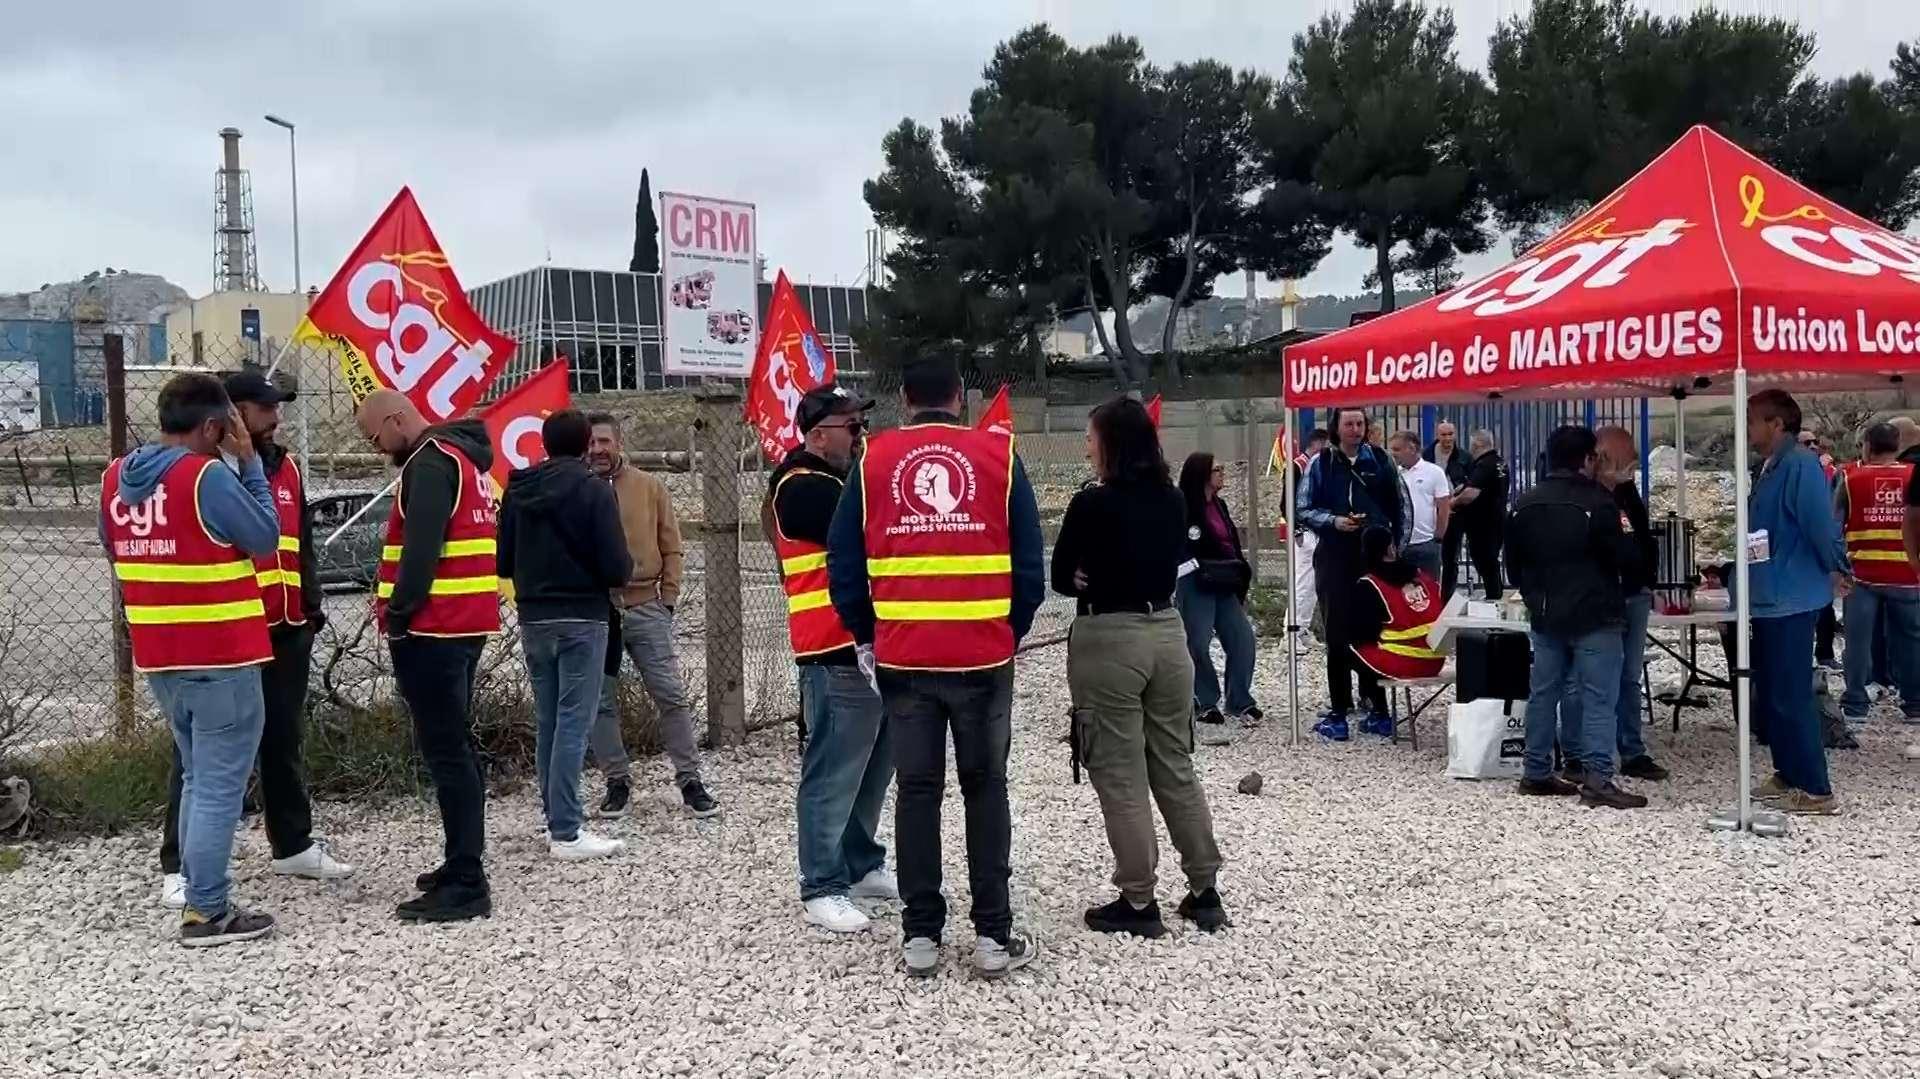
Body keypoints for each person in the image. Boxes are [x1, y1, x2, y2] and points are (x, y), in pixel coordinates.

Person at [826, 357, 1046, 980]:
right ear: (960, 397)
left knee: (917, 792)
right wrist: (1011, 629)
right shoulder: (1000, 458)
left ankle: (920, 936)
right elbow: (1030, 561)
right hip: (983, 656)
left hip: (903, 658)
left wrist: (866, 635)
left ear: (902, 398)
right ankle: (992, 939)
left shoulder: (872, 462)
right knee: (985, 789)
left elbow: (843, 560)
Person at [156, 369, 353, 909]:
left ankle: (292, 843)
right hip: (230, 631)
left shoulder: (285, 465)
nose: (277, 415)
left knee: (284, 740)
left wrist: (311, 607)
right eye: (266, 407)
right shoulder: (199, 472)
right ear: (231, 415)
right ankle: (179, 864)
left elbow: (299, 541)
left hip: (287, 627)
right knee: (198, 757)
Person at [103, 373, 282, 946]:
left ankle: (192, 886)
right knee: (218, 784)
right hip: (221, 653)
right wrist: (249, 464)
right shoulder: (204, 475)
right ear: (212, 426)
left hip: (161, 655)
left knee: (200, 776)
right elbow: (264, 536)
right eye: (226, 426)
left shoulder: (114, 479)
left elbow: (115, 547)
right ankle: (207, 911)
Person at [1055, 398, 1228, 938]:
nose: (1086, 446)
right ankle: (1204, 889)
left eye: (1091, 436)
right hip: (1167, 632)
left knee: (1120, 772)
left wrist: (1089, 574)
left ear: (1110, 443)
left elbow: (1062, 575)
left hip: (1110, 637)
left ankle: (1137, 896)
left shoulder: (1091, 504)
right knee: (1174, 762)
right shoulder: (1174, 499)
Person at [356, 389, 500, 921]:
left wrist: (398, 613)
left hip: (434, 627)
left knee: (447, 751)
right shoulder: (463, 459)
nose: (375, 449)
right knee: (454, 745)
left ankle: (466, 878)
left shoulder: (430, 464)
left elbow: (422, 548)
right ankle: (461, 861)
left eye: (375, 437)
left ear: (397, 419)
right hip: (465, 622)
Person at [767, 384, 898, 935]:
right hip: (832, 646)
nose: (862, 435)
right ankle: (821, 883)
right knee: (834, 769)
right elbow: (871, 530)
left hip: (873, 645)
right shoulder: (801, 487)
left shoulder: (841, 480)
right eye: (852, 427)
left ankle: (860, 860)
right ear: (818, 434)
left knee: (874, 766)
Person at [499, 409, 633, 861]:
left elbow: (503, 561)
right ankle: (567, 830)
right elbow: (617, 567)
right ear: (582, 446)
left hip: (534, 616)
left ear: (544, 443)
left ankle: (557, 818)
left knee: (549, 721)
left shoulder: (518, 490)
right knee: (575, 721)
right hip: (582, 616)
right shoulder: (595, 492)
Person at [582, 413, 718, 819]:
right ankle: (616, 780)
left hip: (645, 606)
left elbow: (672, 544)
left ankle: (690, 780)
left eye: (604, 441)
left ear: (619, 443)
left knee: (671, 696)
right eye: (590, 442)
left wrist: (669, 598)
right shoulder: (578, 490)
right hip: (596, 610)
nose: (597, 450)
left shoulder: (649, 487)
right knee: (600, 702)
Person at [1505, 425, 1646, 810]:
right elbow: (1626, 558)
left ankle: (1535, 771)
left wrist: (1537, 597)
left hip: (1546, 614)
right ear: (1588, 459)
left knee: (1543, 693)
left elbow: (1512, 568)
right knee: (1599, 698)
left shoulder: (1524, 503)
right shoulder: (1600, 503)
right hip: (1596, 614)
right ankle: (1598, 778)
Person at [1746, 389, 1845, 814]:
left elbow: (1820, 527)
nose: (1746, 428)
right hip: (1768, 594)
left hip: (1791, 596)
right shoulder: (1769, 468)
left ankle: (1816, 788)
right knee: (1772, 693)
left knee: (1791, 694)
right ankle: (1787, 772)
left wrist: (1839, 567)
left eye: (1752, 420)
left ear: (1777, 424)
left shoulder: (1800, 467)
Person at [1296, 407, 1406, 740]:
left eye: (1360, 424)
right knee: (1337, 635)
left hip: (1372, 560)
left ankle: (1378, 708)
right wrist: (1334, 521)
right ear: (1336, 428)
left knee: (1372, 632)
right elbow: (1302, 508)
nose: (1355, 429)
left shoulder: (1381, 461)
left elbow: (1400, 507)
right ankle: (1339, 712)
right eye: (1349, 424)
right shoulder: (1321, 463)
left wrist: (1395, 546)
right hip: (1334, 558)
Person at [1592, 426, 1668, 781]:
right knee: (1599, 677)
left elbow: (1642, 533)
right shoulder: (1591, 493)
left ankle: (1631, 749)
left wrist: (1649, 579)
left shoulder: (1627, 491)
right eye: (1626, 457)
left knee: (1629, 676)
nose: (1632, 463)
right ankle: (1596, 752)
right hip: (1604, 596)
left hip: (1635, 593)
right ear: (1604, 455)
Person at [1835, 422, 1920, 725]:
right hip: (1908, 575)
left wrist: (1837, 569)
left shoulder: (1849, 477)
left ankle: (1856, 704)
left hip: (1862, 575)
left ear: (1868, 445)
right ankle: (1914, 705)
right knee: (1911, 640)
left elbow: (1835, 526)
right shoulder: (1914, 475)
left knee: (1857, 641)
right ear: (1897, 445)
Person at [1175, 452, 1259, 741]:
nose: (1222, 474)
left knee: (1242, 638)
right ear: (1201, 474)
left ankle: (1240, 698)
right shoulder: (1184, 506)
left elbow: (1230, 542)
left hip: (1224, 581)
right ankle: (1204, 700)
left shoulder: (1219, 506)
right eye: (1216, 470)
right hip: (1196, 581)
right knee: (1197, 642)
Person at [1346, 527, 1446, 685]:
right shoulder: (1420, 575)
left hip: (1403, 663)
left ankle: (1376, 706)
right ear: (1391, 549)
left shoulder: (1371, 584)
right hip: (1436, 661)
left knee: (1348, 648)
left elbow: (1363, 635)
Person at [1451, 429, 1510, 599]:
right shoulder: (1501, 463)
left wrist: (1452, 503)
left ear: (1477, 445)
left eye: (1472, 445)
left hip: (1482, 522)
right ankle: (1495, 593)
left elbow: (1471, 493)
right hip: (1497, 518)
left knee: (1484, 559)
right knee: (1491, 559)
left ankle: (1493, 595)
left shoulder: (1484, 464)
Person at [1388, 431, 1450, 582]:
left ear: (1412, 448)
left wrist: (1439, 535)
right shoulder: (1392, 473)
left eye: (1397, 449)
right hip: (1399, 545)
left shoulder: (1434, 472)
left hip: (1426, 544)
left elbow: (1443, 506)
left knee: (1429, 590)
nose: (1393, 454)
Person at [1290, 429, 1330, 637]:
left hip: (1315, 531)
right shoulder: (1298, 466)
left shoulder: (1314, 467)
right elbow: (1286, 501)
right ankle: (1292, 631)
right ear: (1317, 444)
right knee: (1303, 582)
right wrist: (1296, 529)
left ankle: (1303, 629)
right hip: (1304, 532)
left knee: (1313, 582)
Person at [1427, 421, 1473, 594]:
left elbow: (1473, 482)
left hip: (1456, 515)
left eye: (1450, 434)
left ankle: (1447, 596)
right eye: (1444, 435)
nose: (1447, 438)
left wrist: (1459, 494)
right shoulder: (1428, 455)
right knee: (1431, 556)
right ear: (1437, 436)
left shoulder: (1464, 457)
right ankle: (1431, 593)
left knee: (1451, 558)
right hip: (1431, 512)